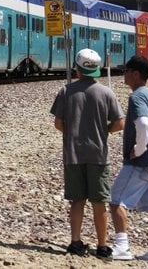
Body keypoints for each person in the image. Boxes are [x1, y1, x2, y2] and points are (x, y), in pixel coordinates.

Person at [50, 48, 125, 259]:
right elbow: (119, 123)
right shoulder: (106, 93)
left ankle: (75, 242)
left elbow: (58, 123)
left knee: (77, 200)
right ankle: (102, 246)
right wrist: (104, 132)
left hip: (73, 154)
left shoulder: (66, 91)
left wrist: (73, 132)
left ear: (77, 67)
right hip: (98, 155)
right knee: (99, 201)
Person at [110, 55, 148, 264]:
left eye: (126, 70)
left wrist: (139, 149)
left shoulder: (137, 97)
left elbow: (144, 124)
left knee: (116, 200)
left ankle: (122, 247)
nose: (124, 74)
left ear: (135, 74)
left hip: (139, 163)